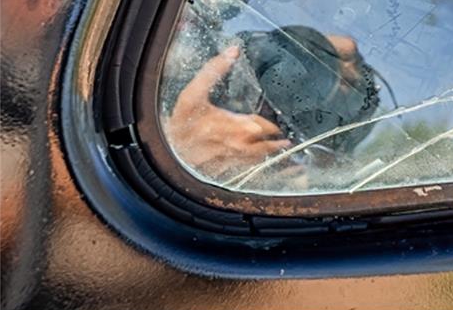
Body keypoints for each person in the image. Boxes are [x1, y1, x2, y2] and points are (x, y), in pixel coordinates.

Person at [162, 15, 381, 187]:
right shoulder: (159, 96)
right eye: (308, 56)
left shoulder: (334, 190)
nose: (295, 90)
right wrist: (178, 155)